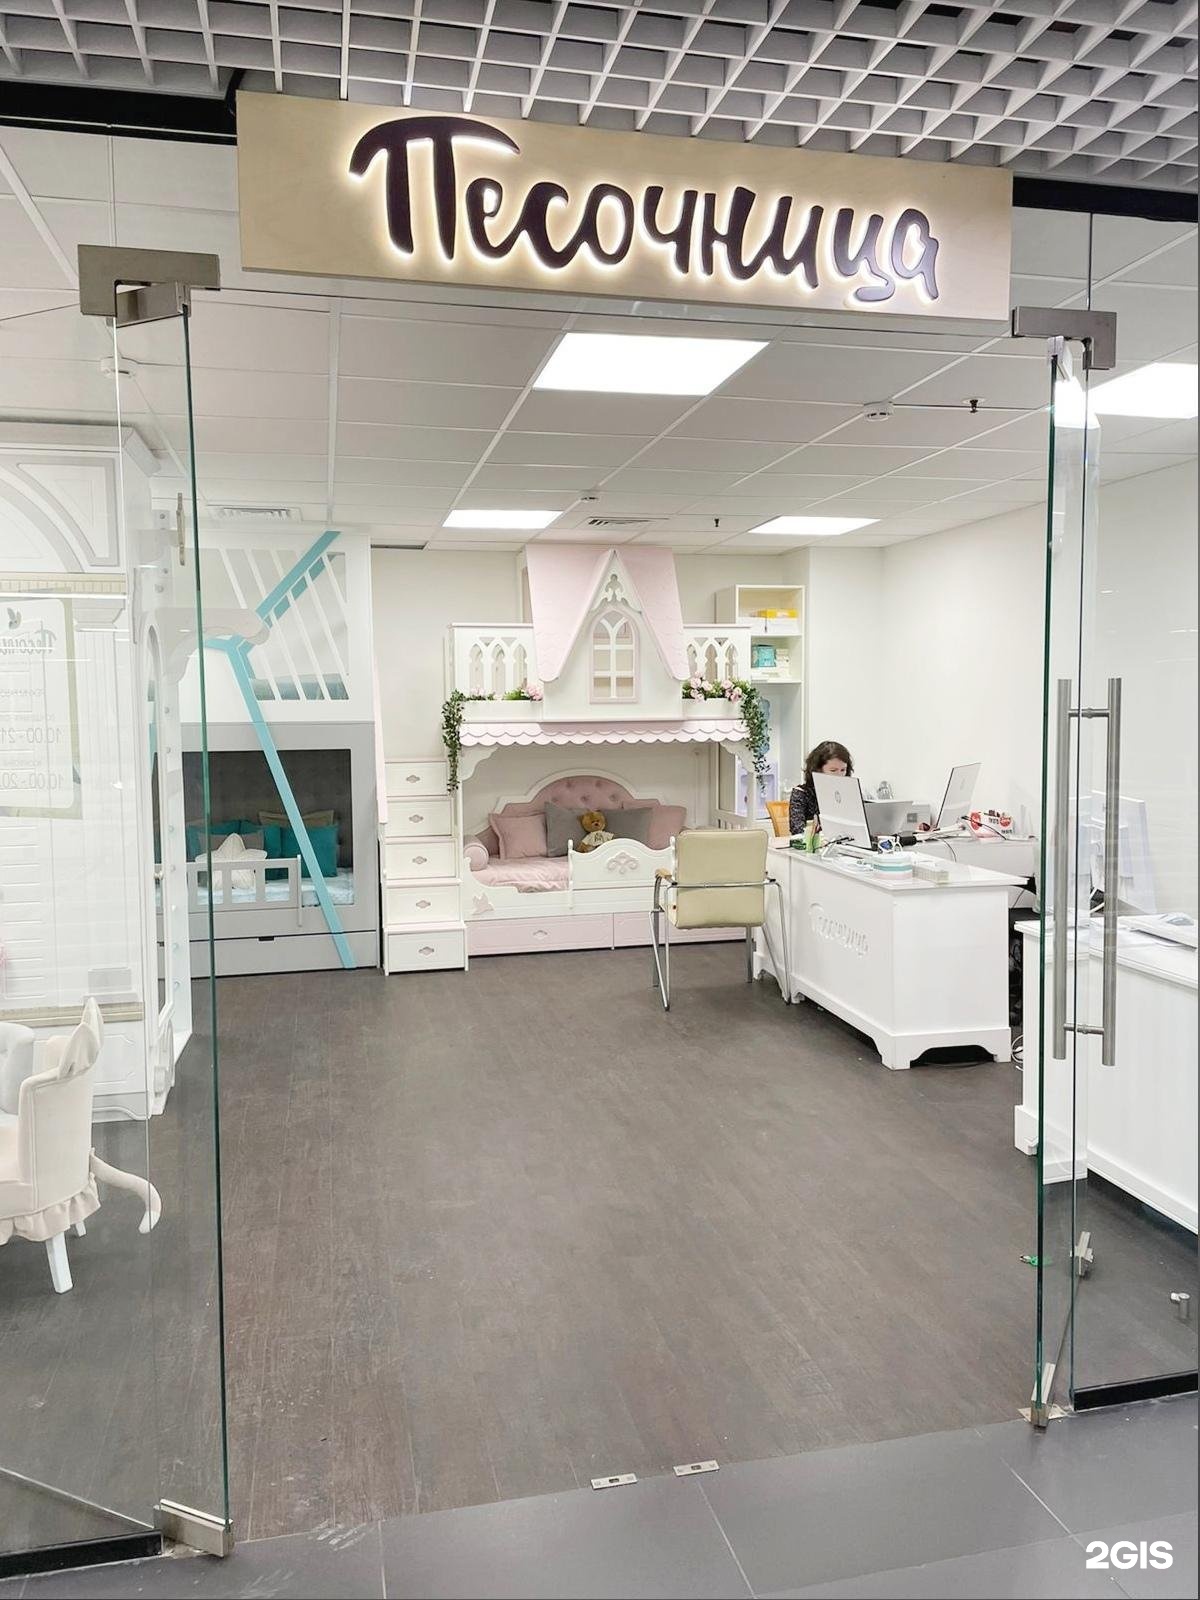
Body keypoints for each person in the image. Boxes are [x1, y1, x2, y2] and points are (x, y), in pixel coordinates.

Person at [789, 740, 854, 836]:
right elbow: (797, 831)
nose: (839, 775)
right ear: (818, 770)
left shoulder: (847, 793)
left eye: (843, 770)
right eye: (833, 770)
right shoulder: (801, 793)